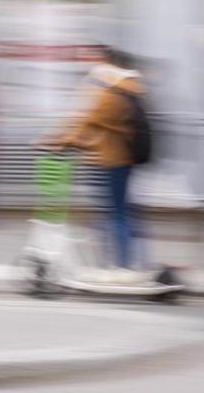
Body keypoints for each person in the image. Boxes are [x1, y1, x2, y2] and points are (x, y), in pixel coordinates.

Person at [51, 47, 148, 282]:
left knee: (116, 214)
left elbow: (89, 120)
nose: (95, 69)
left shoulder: (113, 94)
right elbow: (89, 121)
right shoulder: (125, 90)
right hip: (114, 159)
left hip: (111, 160)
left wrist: (60, 142)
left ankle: (122, 267)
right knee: (118, 212)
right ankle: (118, 264)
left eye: (99, 63)